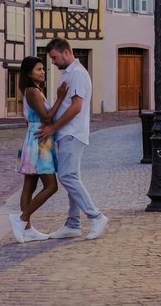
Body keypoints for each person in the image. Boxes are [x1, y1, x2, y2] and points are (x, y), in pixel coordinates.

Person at [36, 37, 108, 240]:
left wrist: (53, 128)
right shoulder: (68, 74)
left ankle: (96, 216)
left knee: (67, 177)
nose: (52, 62)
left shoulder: (77, 74)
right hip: (68, 133)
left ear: (65, 53)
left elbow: (76, 107)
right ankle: (73, 224)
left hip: (72, 133)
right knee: (72, 177)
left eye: (54, 57)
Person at [9, 56, 68, 244]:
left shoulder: (33, 90)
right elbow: (47, 117)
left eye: (43, 69)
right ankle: (21, 219)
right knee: (51, 186)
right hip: (39, 141)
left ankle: (27, 230)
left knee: (30, 185)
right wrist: (60, 98)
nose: (43, 72)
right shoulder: (33, 92)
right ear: (29, 73)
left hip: (35, 138)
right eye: (38, 69)